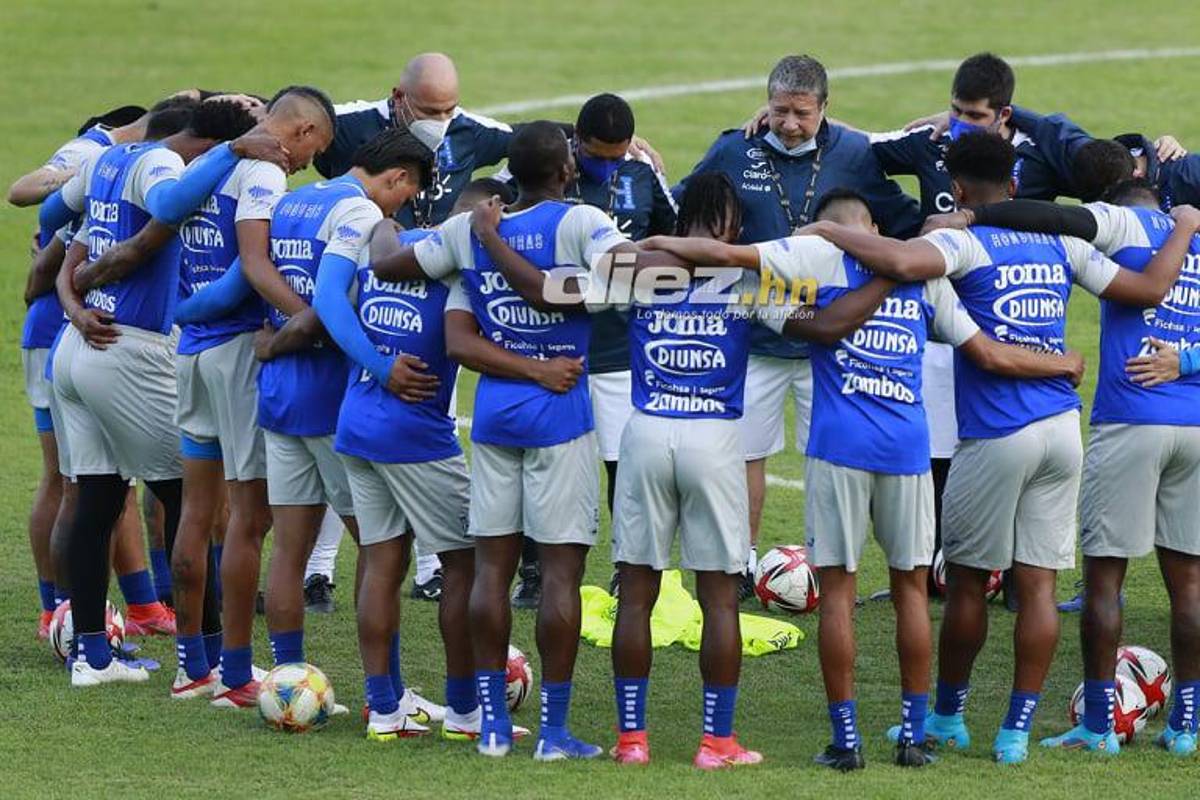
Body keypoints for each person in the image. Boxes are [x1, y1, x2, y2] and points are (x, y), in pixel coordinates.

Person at [799, 131, 1200, 764]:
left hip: (996, 432)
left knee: (965, 583)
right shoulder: (1062, 242)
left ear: (958, 189)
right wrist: (1183, 227)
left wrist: (828, 233)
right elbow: (1149, 292)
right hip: (1062, 431)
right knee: (1039, 586)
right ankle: (1015, 733)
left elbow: (901, 265)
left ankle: (950, 718)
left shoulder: (960, 240)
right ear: (1014, 185)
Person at [370, 121, 675, 759]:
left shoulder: (470, 228)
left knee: (491, 571)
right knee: (560, 574)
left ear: (510, 174)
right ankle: (555, 732)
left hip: (495, 418)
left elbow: (388, 262)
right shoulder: (582, 222)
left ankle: (491, 727)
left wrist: (372, 216)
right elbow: (632, 280)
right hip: (559, 417)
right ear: (566, 170)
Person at [931, 179, 1200, 755]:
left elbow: (1046, 217)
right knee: (1190, 586)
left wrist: (972, 214)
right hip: (1195, 426)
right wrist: (1190, 359)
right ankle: (1186, 728)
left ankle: (1099, 725)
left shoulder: (1126, 224)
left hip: (1131, 420)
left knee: (1103, 581)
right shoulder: (1195, 234)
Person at [49, 99, 285, 687]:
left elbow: (63, 233)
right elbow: (166, 209)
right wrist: (230, 156)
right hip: (128, 350)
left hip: (77, 347)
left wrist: (74, 307)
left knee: (98, 500)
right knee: (191, 500)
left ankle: (91, 657)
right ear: (199, 144)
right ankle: (203, 664)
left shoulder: (109, 160)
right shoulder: (160, 164)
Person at [676, 54, 923, 598]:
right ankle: (739, 562)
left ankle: (832, 567)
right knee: (744, 455)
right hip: (756, 335)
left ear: (825, 109)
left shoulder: (856, 154)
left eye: (801, 113)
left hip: (835, 345)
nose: (789, 123)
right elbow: (684, 206)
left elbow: (902, 221)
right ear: (765, 103)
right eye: (780, 110)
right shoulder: (733, 148)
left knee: (834, 458)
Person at [128, 86, 335, 703]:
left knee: (196, 512)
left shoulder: (206, 164)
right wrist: (309, 321)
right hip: (238, 355)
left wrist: (184, 313)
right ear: (296, 133)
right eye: (312, 149)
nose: (306, 163)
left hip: (191, 355)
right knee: (250, 518)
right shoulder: (262, 172)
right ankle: (239, 676)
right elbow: (253, 266)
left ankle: (194, 667)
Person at [315, 179, 528, 742]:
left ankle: (384, 711)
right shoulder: (464, 272)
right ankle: (464, 713)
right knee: (466, 567)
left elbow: (378, 249)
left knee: (382, 564)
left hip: (356, 423)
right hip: (415, 435)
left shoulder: (394, 245)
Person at [512, 93, 679, 606]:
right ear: (574, 145)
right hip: (544, 345)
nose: (608, 166)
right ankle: (534, 571)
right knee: (538, 462)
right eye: (597, 156)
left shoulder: (644, 173)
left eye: (617, 155)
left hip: (615, 353)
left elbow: (671, 240)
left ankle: (628, 568)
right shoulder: (542, 168)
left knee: (623, 467)